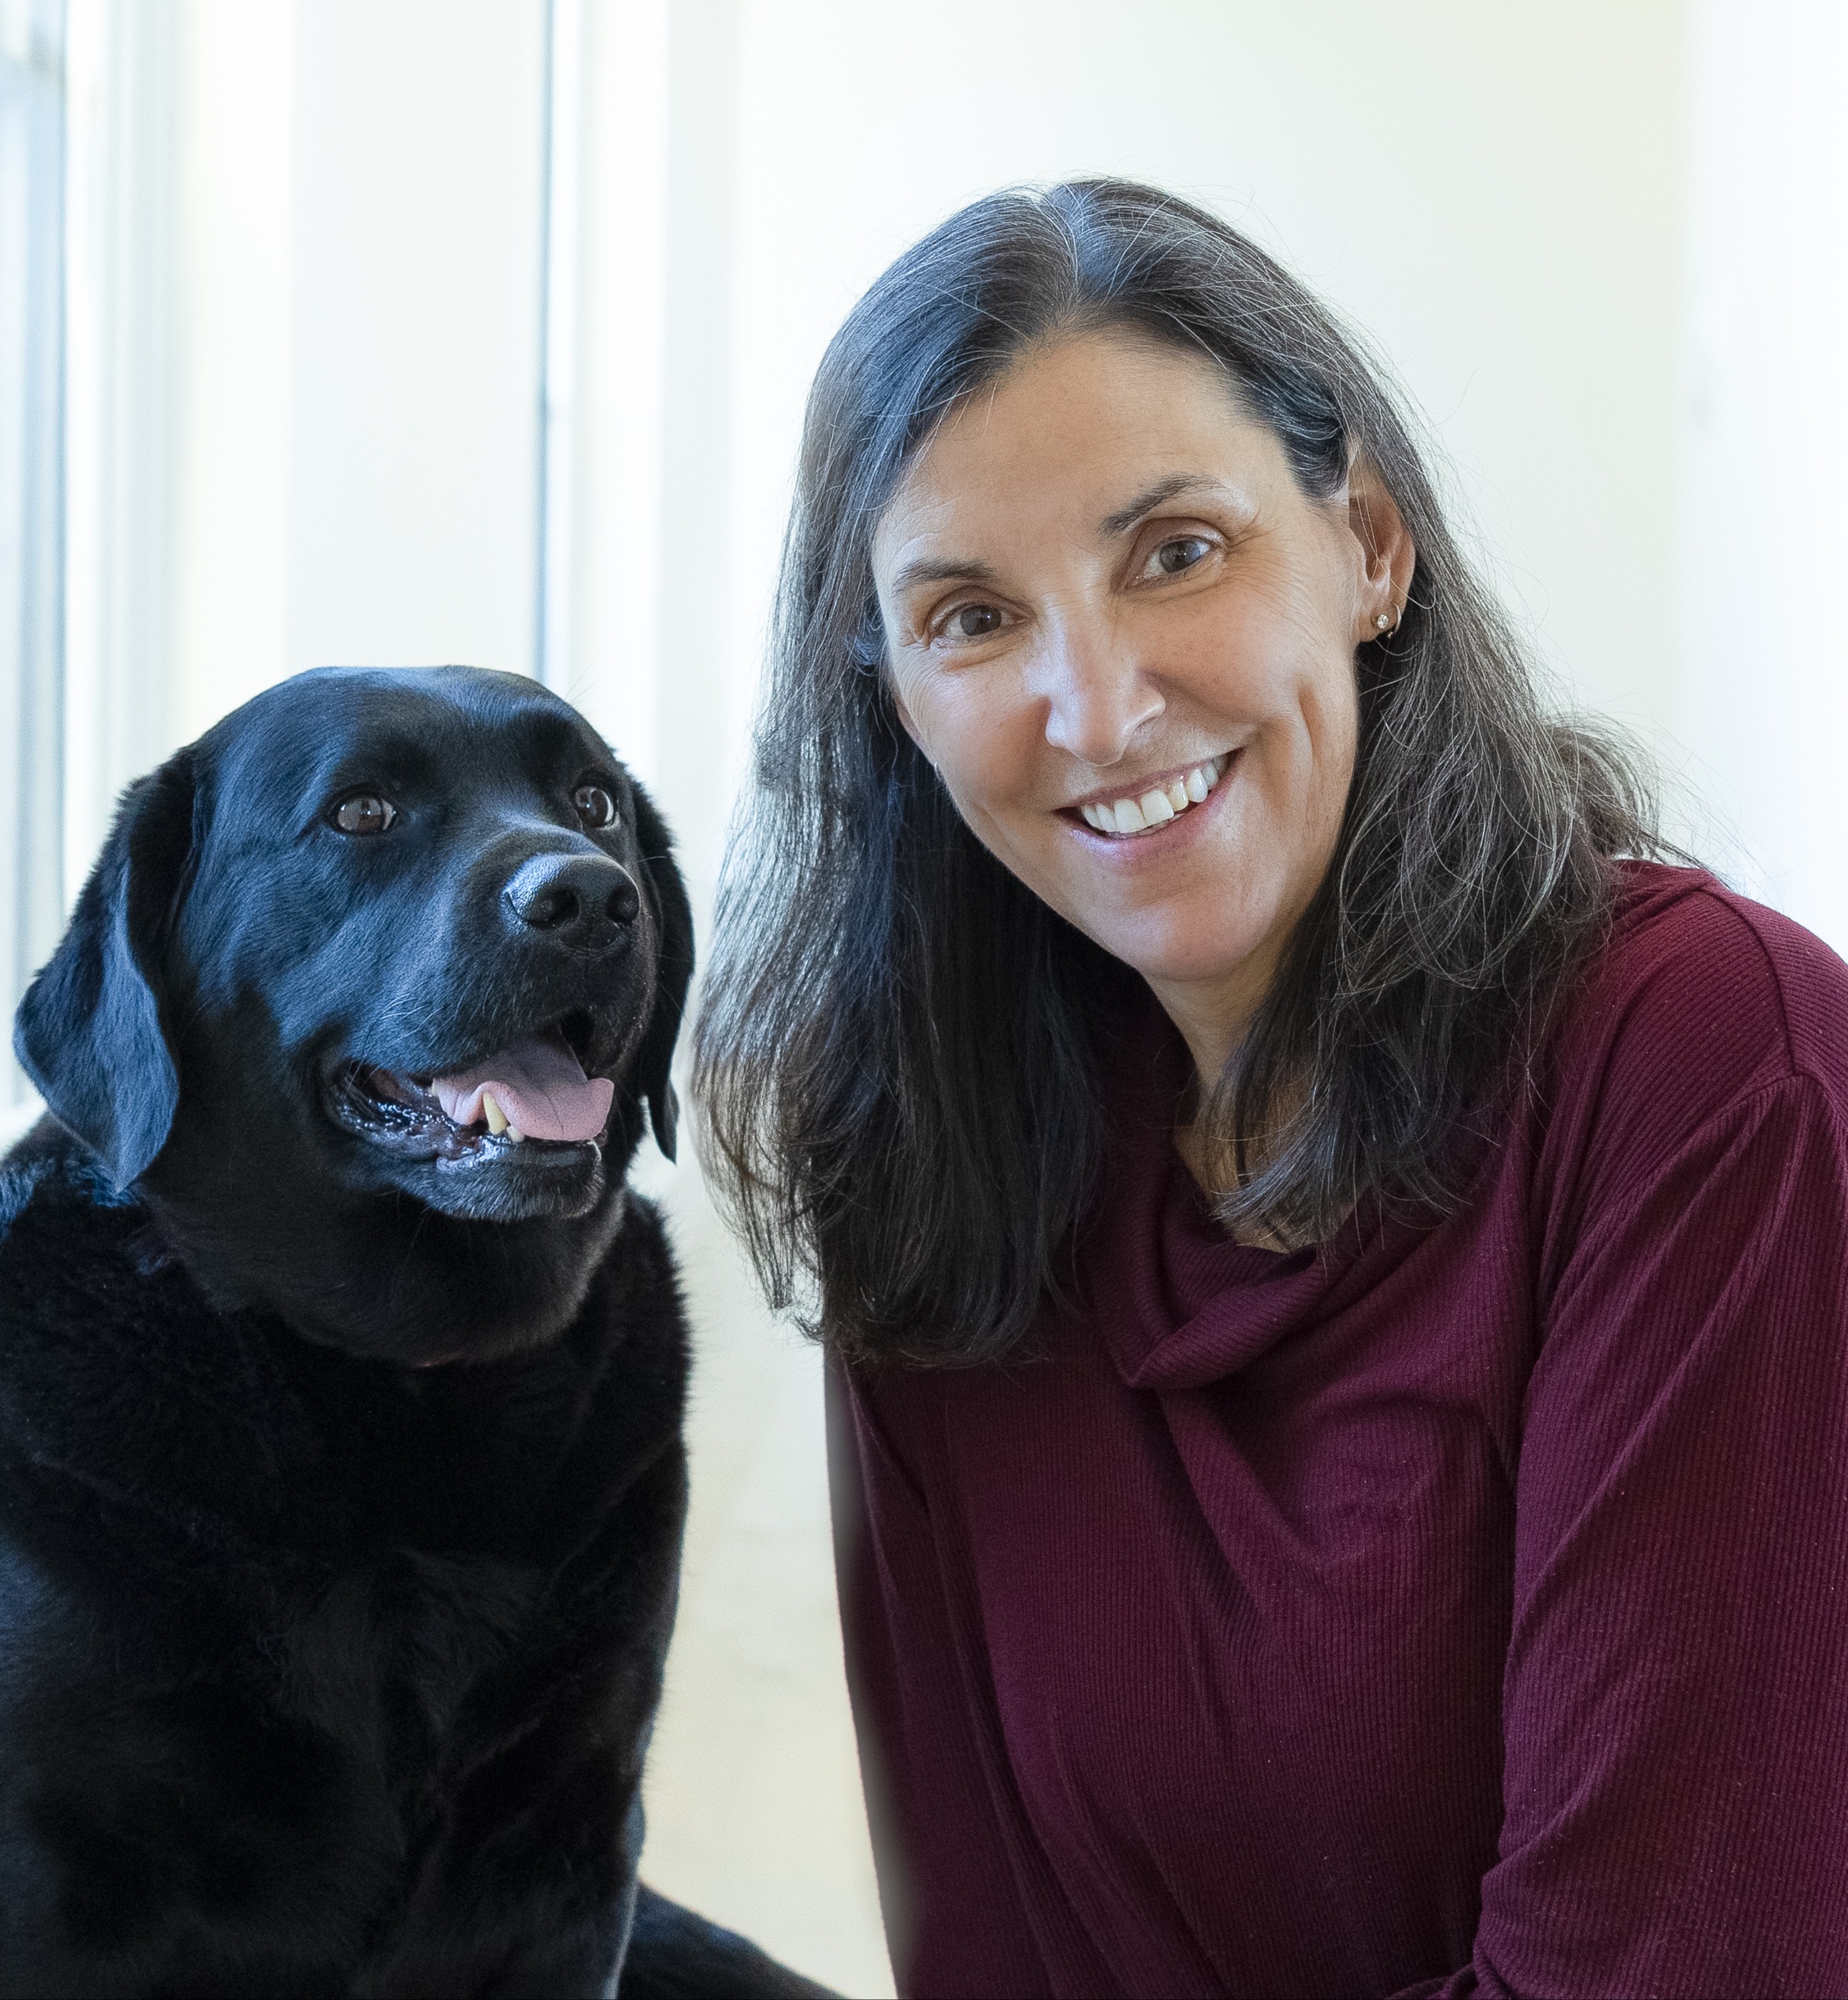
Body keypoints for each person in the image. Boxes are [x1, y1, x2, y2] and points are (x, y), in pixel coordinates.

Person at [691, 180, 1848, 1999]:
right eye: (973, 618)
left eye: (1173, 553)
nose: (1094, 706)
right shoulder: (930, 1157)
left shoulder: (1710, 1064)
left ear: (1366, 545)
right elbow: (987, 1955)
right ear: (891, 698)